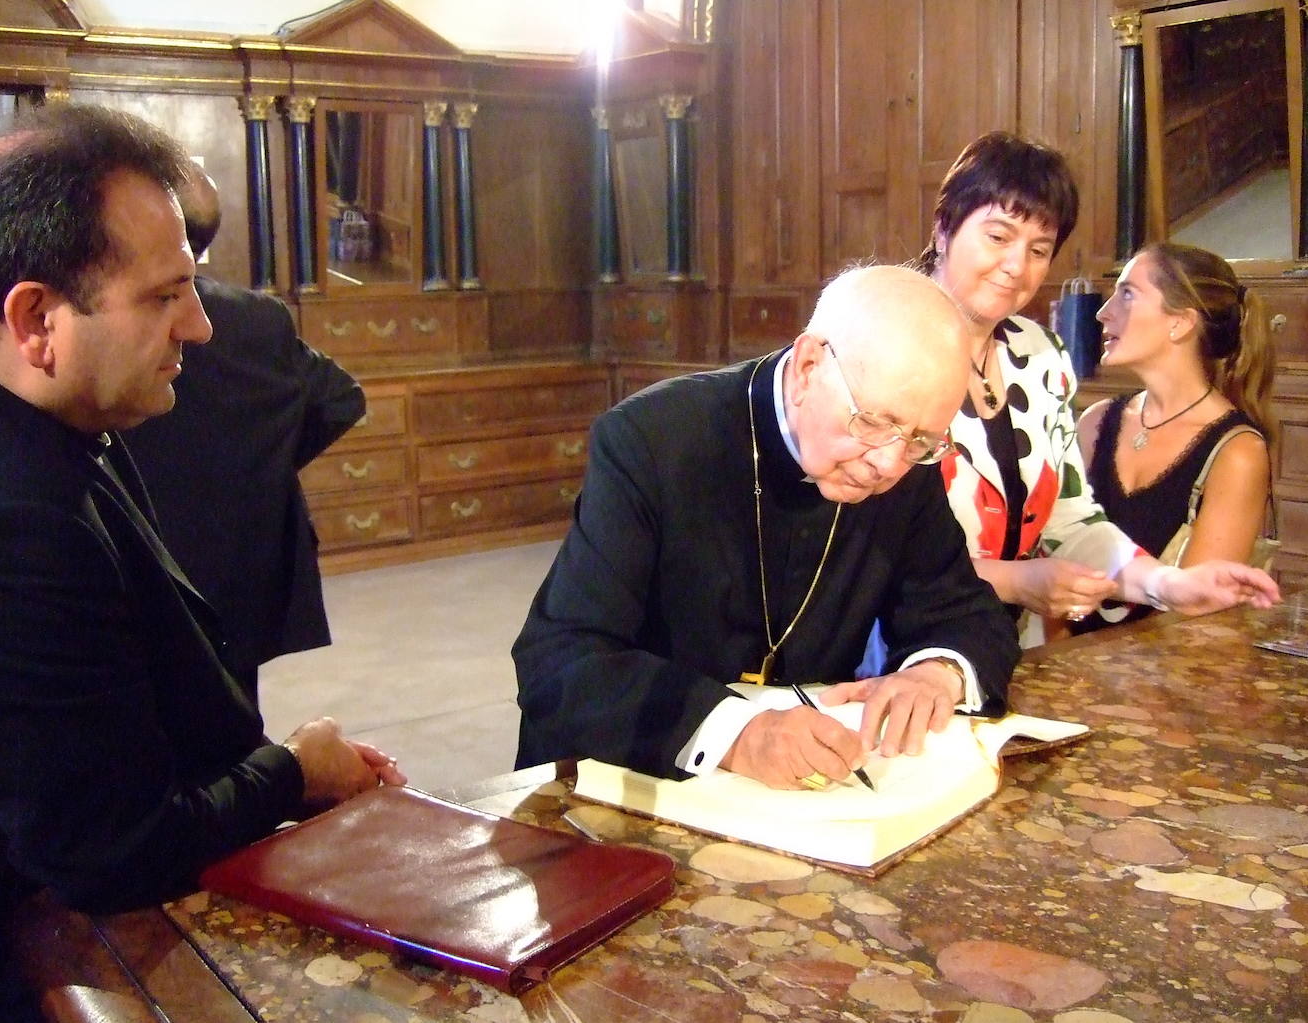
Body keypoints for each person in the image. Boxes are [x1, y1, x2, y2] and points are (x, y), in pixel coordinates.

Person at [0, 104, 403, 1023]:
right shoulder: (5, 523)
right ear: (35, 318)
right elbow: (113, 850)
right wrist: (295, 769)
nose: (200, 326)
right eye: (162, 296)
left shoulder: (29, 421)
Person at [514, 265, 1021, 792]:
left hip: (798, 798)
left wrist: (936, 671)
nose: (889, 464)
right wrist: (738, 734)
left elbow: (964, 609)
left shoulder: (903, 465)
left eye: (921, 439)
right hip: (626, 781)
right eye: (873, 422)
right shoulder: (652, 441)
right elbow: (561, 660)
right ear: (806, 368)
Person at [917, 131, 1278, 640]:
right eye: (997, 238)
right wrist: (1014, 581)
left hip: (1000, 652)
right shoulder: (889, 339)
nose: (1017, 266)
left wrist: (1165, 584)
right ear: (944, 230)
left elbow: (1070, 520)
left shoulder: (1041, 355)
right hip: (883, 654)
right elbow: (861, 542)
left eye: (1039, 249)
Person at [123, 164, 365, 701]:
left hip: (139, 553)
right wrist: (267, 462)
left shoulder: (114, 322)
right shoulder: (256, 317)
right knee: (233, 718)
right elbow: (340, 399)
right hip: (237, 556)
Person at [1071, 242, 1275, 631]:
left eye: (1128, 294)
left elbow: (1194, 617)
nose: (1102, 312)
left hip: (1158, 678)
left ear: (1179, 322)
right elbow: (1056, 557)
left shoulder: (1236, 451)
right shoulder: (1095, 423)